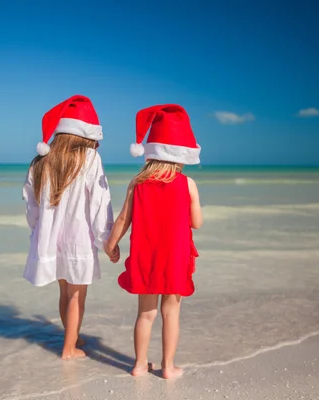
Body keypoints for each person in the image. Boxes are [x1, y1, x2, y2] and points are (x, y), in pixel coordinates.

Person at [104, 104, 202, 378]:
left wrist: (110, 245)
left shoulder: (139, 182)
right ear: (181, 154)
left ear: (151, 152)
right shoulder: (188, 184)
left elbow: (123, 219)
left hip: (145, 256)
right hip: (176, 258)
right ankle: (168, 368)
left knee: (145, 314)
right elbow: (196, 223)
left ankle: (138, 365)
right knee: (171, 313)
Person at [22, 95, 116, 360]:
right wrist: (105, 237)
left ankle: (72, 336)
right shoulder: (90, 158)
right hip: (78, 239)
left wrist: (37, 231)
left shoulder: (41, 160)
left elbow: (31, 203)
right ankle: (68, 349)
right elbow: (100, 202)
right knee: (77, 295)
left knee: (65, 291)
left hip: (51, 237)